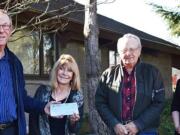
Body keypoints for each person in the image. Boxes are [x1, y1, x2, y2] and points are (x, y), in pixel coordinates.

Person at [95, 33, 165, 135]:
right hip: (118, 131)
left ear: (139, 50)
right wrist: (114, 124)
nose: (128, 53)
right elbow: (100, 102)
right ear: (119, 52)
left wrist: (138, 124)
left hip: (146, 130)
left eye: (132, 49)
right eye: (124, 50)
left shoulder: (153, 73)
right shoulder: (108, 74)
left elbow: (159, 102)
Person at [0, 9, 51, 135]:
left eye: (5, 26)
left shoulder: (14, 63)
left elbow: (21, 98)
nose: (1, 30)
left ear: (11, 30)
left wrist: (43, 106)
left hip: (10, 130)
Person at [29, 54, 84, 135]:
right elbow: (33, 119)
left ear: (73, 75)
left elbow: (75, 130)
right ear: (56, 71)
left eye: (69, 70)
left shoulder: (77, 96)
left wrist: (73, 122)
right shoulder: (42, 91)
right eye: (61, 69)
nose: (64, 73)